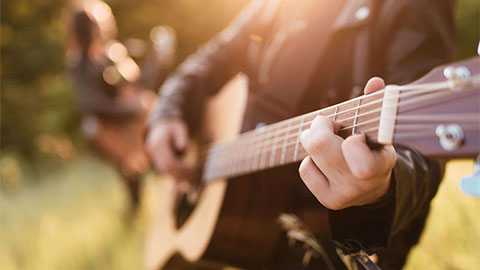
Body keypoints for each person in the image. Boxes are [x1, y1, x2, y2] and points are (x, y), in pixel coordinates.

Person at [146, 0, 455, 269]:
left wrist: (384, 187)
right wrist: (166, 112)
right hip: (253, 224)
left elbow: (423, 145)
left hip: (327, 241)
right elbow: (214, 56)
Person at [66, 0, 176, 214]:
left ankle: (164, 207)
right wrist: (133, 110)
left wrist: (157, 59)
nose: (98, 30)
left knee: (150, 163)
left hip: (133, 122)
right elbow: (92, 105)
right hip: (109, 129)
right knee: (131, 174)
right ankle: (137, 213)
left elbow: (138, 87)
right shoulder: (79, 63)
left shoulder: (113, 54)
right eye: (93, 25)